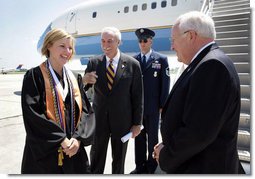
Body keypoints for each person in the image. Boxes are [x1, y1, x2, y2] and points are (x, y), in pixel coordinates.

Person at [153, 11, 243, 174]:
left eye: (173, 40)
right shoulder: (206, 62)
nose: (171, 46)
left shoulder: (212, 66)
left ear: (191, 36)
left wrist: (166, 155)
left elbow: (198, 133)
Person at [21, 28, 90, 174]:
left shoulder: (75, 78)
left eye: (70, 48)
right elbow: (33, 114)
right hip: (45, 153)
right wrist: (61, 139)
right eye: (62, 46)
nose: (67, 51)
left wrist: (78, 139)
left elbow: (86, 112)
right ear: (49, 46)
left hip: (73, 150)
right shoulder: (34, 76)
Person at [83, 26, 143, 174]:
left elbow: (138, 96)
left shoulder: (133, 65)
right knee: (96, 157)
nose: (105, 45)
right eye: (102, 41)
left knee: (119, 160)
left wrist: (137, 123)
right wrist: (84, 81)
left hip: (122, 122)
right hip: (99, 121)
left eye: (110, 41)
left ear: (119, 42)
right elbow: (83, 90)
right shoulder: (94, 63)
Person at [130, 28, 170, 174]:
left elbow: (165, 84)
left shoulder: (161, 59)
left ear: (151, 41)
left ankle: (152, 166)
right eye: (140, 41)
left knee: (152, 139)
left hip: (153, 108)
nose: (142, 43)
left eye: (145, 40)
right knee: (139, 139)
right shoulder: (133, 60)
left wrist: (162, 105)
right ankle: (139, 166)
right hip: (138, 109)